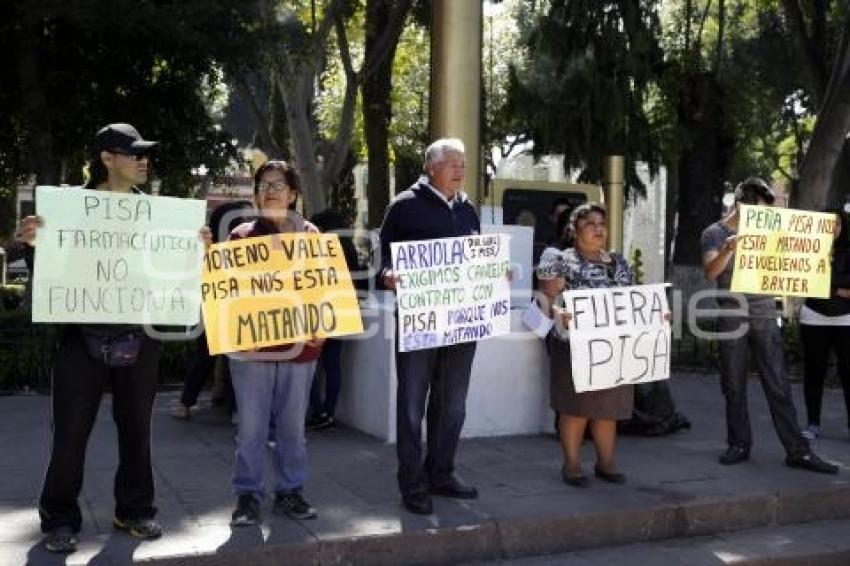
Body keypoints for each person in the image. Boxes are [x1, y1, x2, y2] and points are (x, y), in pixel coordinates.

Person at [28, 123, 178, 553]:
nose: (144, 160)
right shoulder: (70, 208)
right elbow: (52, 277)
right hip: (81, 339)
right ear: (107, 159)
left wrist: (195, 247)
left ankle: (134, 511)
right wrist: (34, 243)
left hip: (139, 336)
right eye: (134, 154)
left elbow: (171, 274)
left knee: (137, 432)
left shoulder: (157, 213)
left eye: (146, 154)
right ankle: (59, 519)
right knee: (71, 434)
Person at [700, 177, 837, 473]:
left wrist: (816, 258)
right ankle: (739, 443)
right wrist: (727, 250)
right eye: (757, 213)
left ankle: (798, 450)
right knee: (733, 384)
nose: (762, 219)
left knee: (778, 383)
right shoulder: (715, 232)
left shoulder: (771, 229)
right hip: (732, 316)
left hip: (764, 313)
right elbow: (711, 273)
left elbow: (793, 262)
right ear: (739, 206)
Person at [379, 138, 481, 515]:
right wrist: (387, 275)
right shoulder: (403, 207)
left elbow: (476, 259)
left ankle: (441, 472)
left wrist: (494, 273)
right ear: (431, 168)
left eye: (463, 163)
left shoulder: (468, 208)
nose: (460, 169)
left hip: (462, 322)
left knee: (452, 405)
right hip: (419, 323)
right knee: (411, 405)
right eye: (453, 162)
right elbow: (382, 262)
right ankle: (412, 484)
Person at [228, 160, 325, 527]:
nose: (270, 192)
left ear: (294, 192)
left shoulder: (313, 237)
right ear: (255, 194)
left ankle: (291, 491)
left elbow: (326, 291)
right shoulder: (240, 237)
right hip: (252, 351)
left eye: (278, 185)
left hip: (300, 349)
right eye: (264, 185)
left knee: (292, 428)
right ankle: (248, 495)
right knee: (250, 428)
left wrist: (322, 327)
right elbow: (225, 290)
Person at [536, 203, 641, 487]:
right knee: (576, 407)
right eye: (590, 224)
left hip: (612, 346)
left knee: (609, 408)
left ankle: (606, 463)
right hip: (574, 346)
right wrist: (557, 312)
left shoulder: (618, 262)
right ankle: (571, 465)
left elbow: (633, 300)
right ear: (574, 230)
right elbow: (543, 301)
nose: (598, 229)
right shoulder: (557, 259)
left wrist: (656, 315)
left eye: (602, 224)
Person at [171, 200, 254, 421]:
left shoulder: (232, 247)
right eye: (245, 218)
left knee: (212, 358)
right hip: (224, 309)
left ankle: (190, 403)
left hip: (225, 308)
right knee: (220, 357)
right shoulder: (219, 249)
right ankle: (233, 407)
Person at [306, 208, 362, 430]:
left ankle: (317, 411)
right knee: (332, 364)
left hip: (318, 310)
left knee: (308, 362)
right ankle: (329, 411)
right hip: (342, 308)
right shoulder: (348, 246)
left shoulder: (318, 247)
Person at [798, 208, 850, 440]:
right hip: (813, 316)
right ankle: (812, 424)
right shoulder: (808, 250)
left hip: (845, 318)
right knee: (814, 372)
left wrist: (830, 287)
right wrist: (839, 289)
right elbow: (802, 280)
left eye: (836, 224)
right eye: (828, 224)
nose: (833, 229)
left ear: (843, 226)